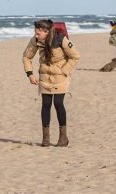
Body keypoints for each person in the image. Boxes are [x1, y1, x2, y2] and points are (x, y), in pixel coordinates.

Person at [23, 19, 80, 147]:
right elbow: (26, 56)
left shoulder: (61, 39)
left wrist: (64, 71)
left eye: (38, 33)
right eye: (35, 33)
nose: (36, 35)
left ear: (46, 31)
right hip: (44, 77)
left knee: (58, 103)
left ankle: (63, 137)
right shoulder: (36, 40)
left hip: (60, 77)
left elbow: (75, 56)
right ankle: (46, 138)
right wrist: (30, 74)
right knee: (46, 104)